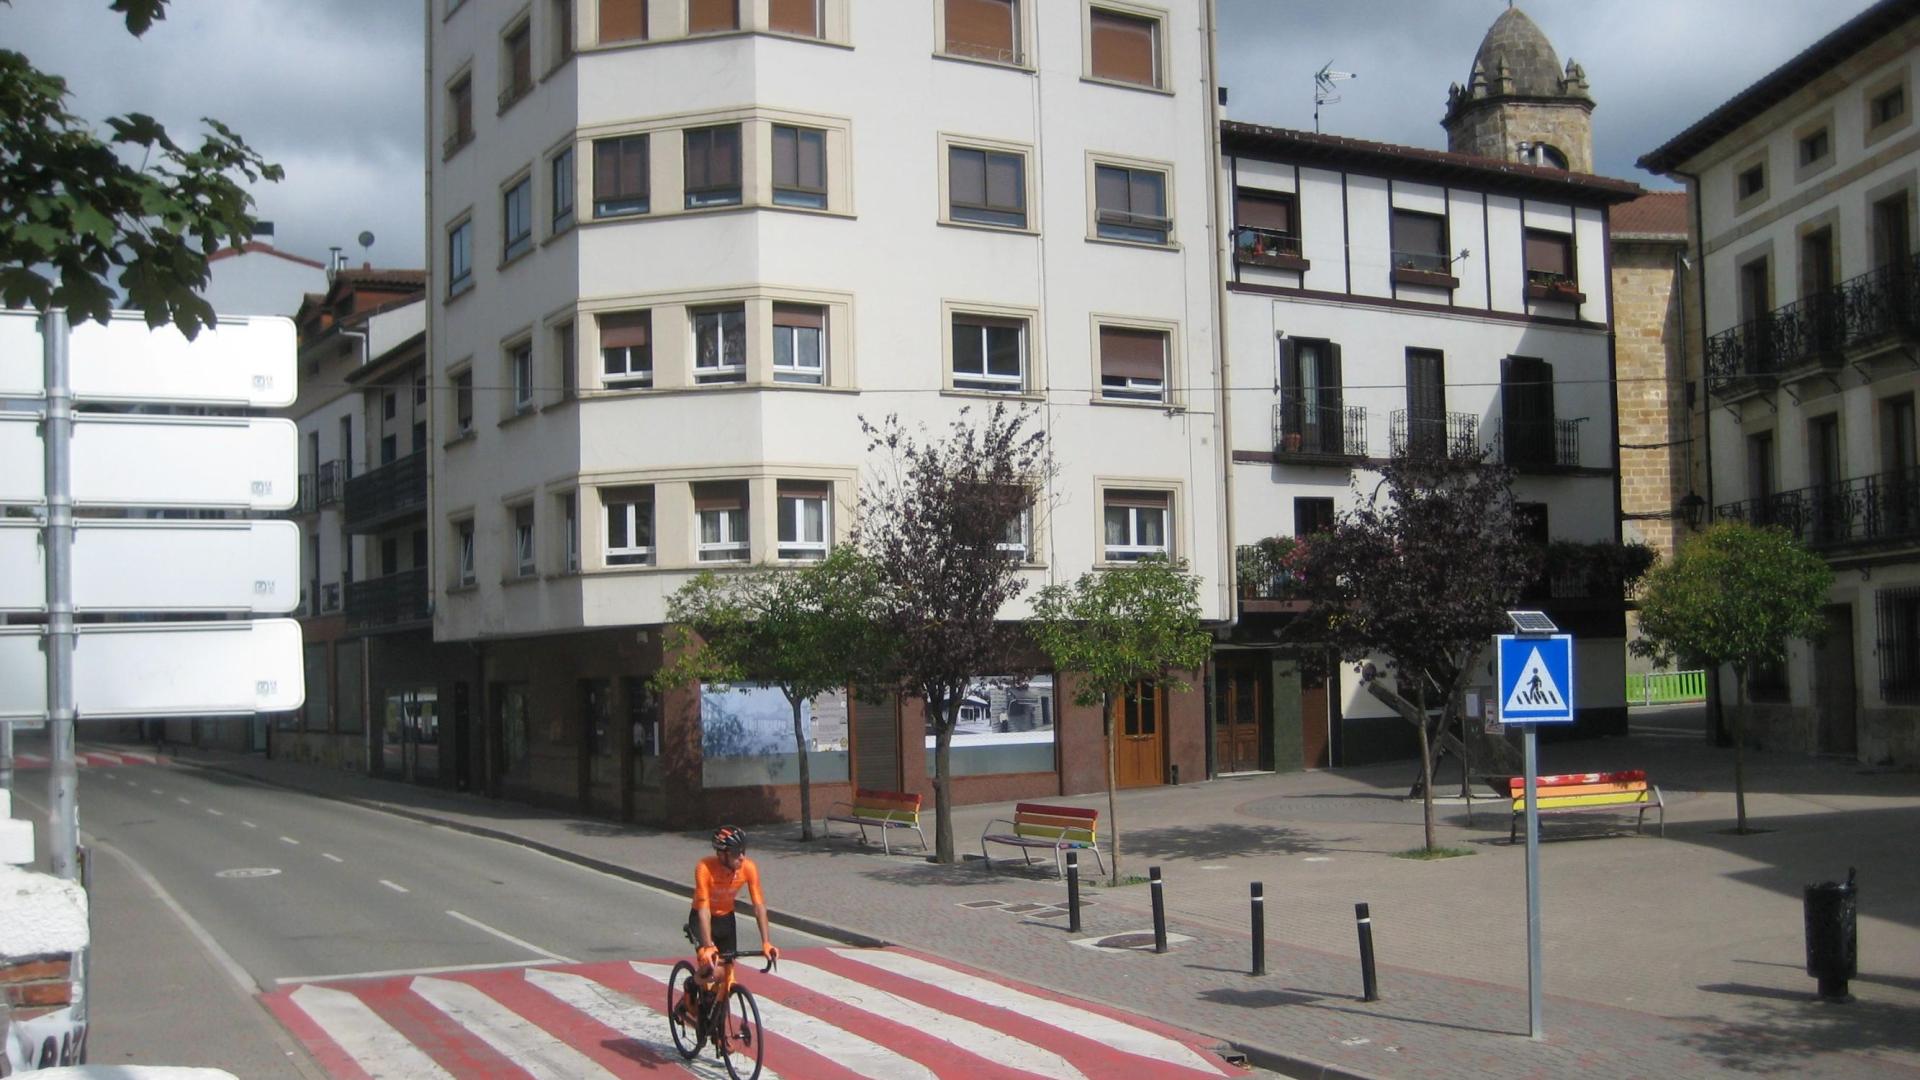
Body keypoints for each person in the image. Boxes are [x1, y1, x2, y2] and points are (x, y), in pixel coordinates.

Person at [686, 826, 778, 1001]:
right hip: (702, 919)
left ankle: (716, 1013)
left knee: (727, 975)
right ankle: (692, 984)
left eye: (743, 851)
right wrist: (707, 946)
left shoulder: (748, 868)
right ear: (722, 854)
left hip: (726, 920)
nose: (742, 857)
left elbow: (759, 907)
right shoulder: (704, 867)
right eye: (736, 853)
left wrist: (766, 942)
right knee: (713, 969)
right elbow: (704, 909)